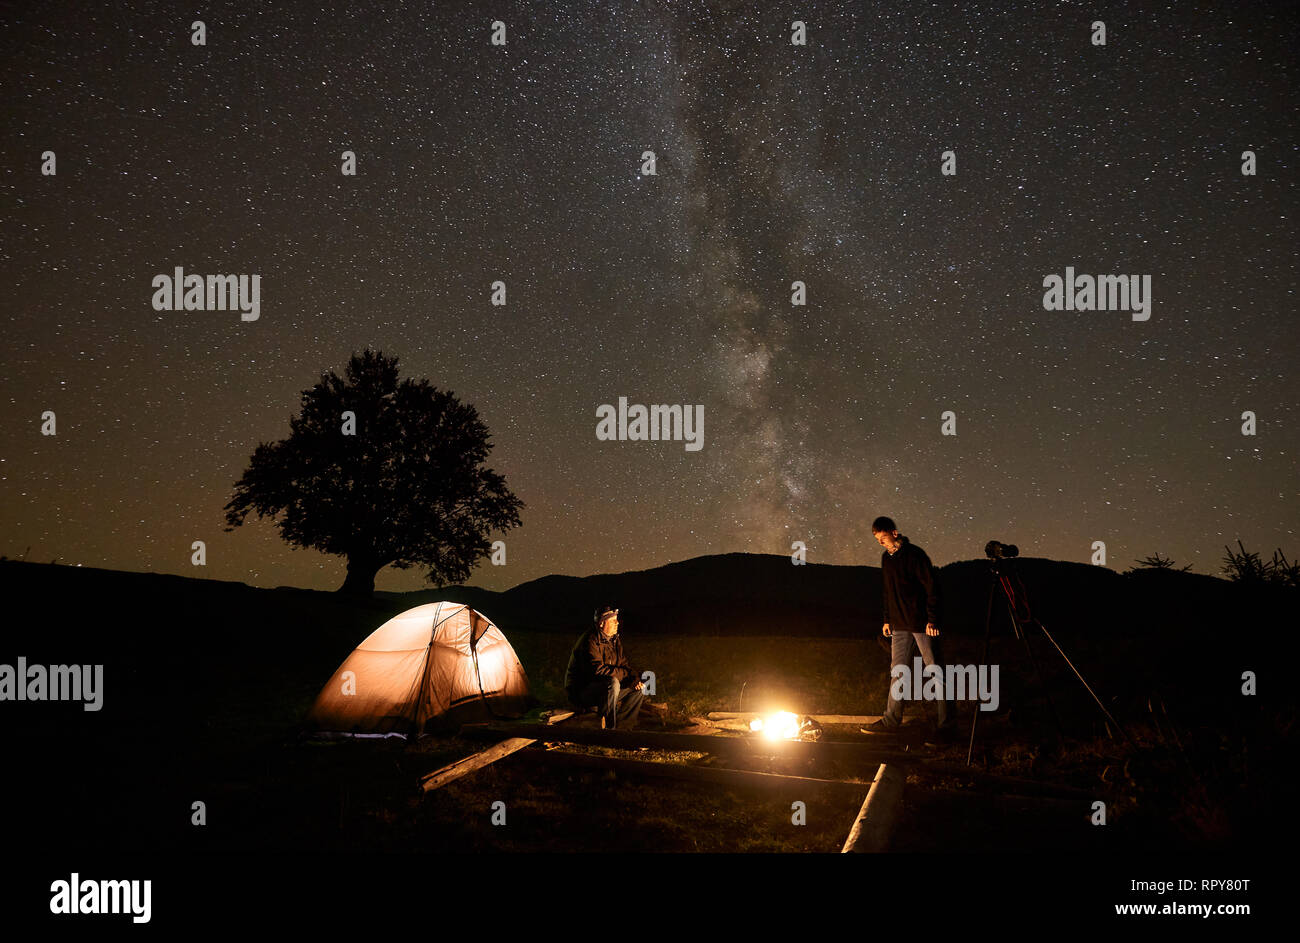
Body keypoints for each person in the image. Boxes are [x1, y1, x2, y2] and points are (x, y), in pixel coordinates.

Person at [862, 516, 956, 742]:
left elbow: (932, 588)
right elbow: (888, 591)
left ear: (894, 533)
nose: (881, 543)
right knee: (898, 673)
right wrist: (887, 619)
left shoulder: (915, 555)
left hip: (922, 623)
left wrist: (932, 620)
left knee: (936, 672)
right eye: (877, 540)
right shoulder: (886, 558)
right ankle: (891, 720)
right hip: (898, 625)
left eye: (883, 538)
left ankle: (947, 726)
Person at [564, 604, 645, 729]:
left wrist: (634, 678)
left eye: (617, 620)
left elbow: (624, 664)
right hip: (582, 692)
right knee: (613, 683)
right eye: (613, 620)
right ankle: (608, 730)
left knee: (640, 686)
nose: (617, 623)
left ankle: (623, 728)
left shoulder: (614, 640)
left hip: (603, 689)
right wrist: (625, 675)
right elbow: (597, 670)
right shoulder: (590, 640)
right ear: (602, 623)